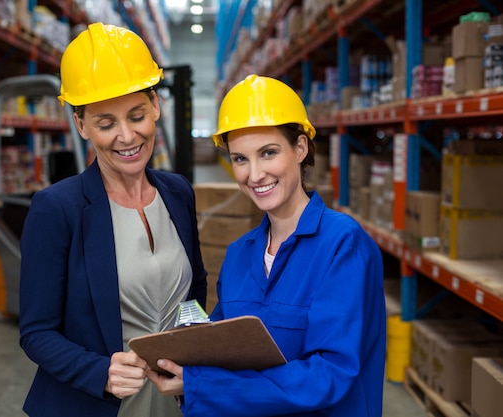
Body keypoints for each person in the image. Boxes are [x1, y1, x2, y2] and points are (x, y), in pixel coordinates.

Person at [147, 74, 387, 416]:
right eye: (240, 159)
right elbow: (219, 347)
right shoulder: (239, 255)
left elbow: (330, 374)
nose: (254, 174)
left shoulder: (342, 245)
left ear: (300, 148)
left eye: (268, 153)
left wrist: (202, 384)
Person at [18, 22, 207, 417]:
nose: (127, 136)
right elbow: (36, 332)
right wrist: (98, 371)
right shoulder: (58, 208)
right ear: (82, 125)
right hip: (97, 404)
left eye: (136, 115)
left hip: (173, 402)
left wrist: (195, 351)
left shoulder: (178, 193)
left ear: (155, 106)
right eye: (106, 124)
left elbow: (194, 292)